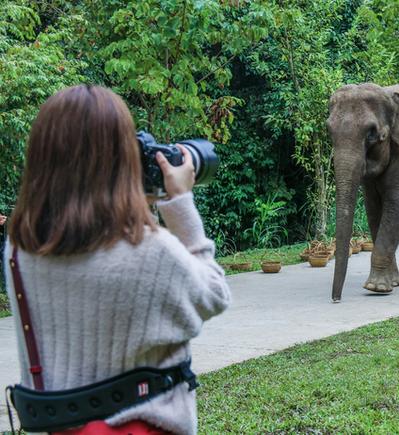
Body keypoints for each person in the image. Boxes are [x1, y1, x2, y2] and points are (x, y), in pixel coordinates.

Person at [4, 85, 231, 434]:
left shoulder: (21, 248)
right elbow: (214, 294)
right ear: (121, 159)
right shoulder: (149, 250)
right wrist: (180, 203)